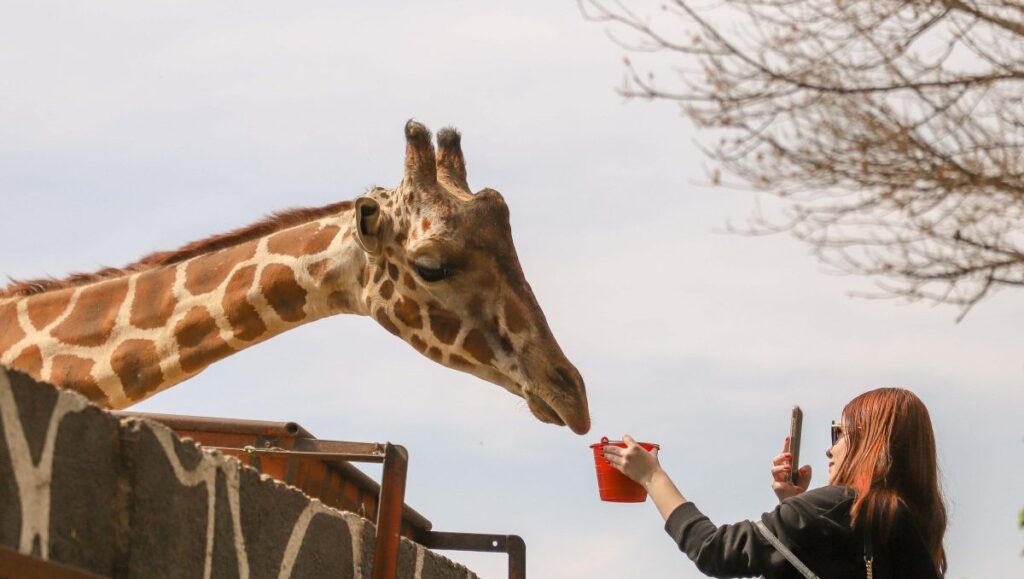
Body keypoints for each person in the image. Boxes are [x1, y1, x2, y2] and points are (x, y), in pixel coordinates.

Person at [603, 387, 946, 578]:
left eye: (839, 433)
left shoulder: (834, 506)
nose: (830, 448)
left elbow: (715, 551)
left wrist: (651, 476)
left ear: (869, 442)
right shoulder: (909, 522)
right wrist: (794, 506)